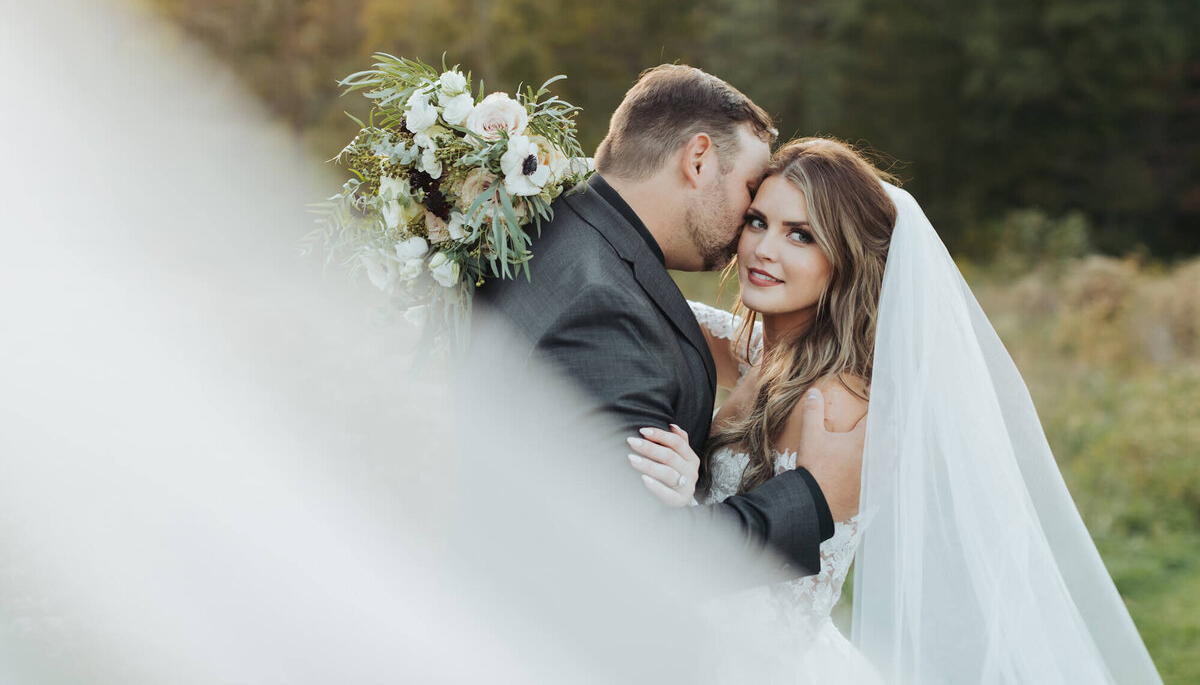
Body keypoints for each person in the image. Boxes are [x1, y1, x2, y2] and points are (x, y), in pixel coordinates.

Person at [634, 138, 1163, 683]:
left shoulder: (838, 407)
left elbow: (750, 575)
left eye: (801, 235)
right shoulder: (769, 354)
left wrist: (681, 507)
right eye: (757, 222)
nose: (764, 250)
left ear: (847, 259)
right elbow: (648, 309)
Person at [477, 65, 865, 576]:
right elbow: (635, 554)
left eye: (800, 233)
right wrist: (811, 503)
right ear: (698, 160)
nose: (755, 240)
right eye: (752, 198)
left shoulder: (554, 225)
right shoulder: (609, 311)